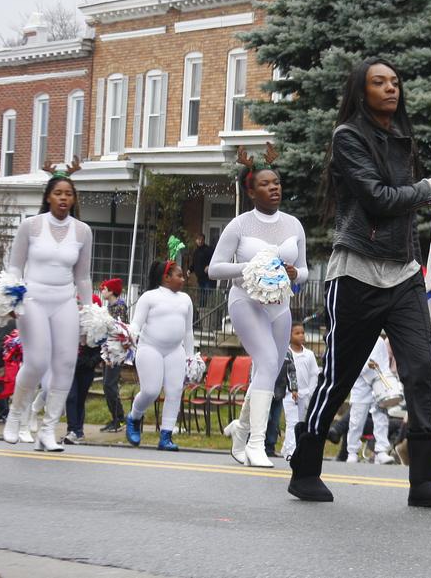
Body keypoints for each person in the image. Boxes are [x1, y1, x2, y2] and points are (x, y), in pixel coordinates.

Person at [288, 58, 431, 507]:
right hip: (357, 271)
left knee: (421, 371)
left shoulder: (403, 140)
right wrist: (427, 190)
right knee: (338, 376)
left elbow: (402, 203)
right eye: (379, 82)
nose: (390, 88)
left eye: (395, 82)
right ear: (361, 93)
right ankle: (305, 470)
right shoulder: (348, 137)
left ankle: (422, 481)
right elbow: (378, 200)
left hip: (403, 273)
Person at [211, 144, 308, 469]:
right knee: (266, 360)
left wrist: (296, 273)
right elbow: (213, 269)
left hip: (280, 305)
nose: (274, 187)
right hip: (246, 302)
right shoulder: (239, 225)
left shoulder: (293, 225)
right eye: (265, 184)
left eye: (276, 182)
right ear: (251, 191)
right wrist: (251, 268)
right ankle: (256, 443)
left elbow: (304, 270)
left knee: (270, 367)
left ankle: (240, 429)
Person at [2, 159, 93, 451]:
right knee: (38, 361)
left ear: (74, 198)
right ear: (48, 196)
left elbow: (83, 277)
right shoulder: (31, 226)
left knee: (66, 363)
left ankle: (48, 429)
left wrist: (90, 312)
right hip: (32, 300)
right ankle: (16, 415)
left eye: (69, 194)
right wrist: (12, 296)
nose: (64, 198)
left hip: (64, 299)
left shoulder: (83, 231)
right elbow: (15, 267)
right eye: (58, 193)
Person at [125, 258, 195, 451]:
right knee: (151, 391)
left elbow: (188, 331)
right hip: (150, 348)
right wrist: (128, 336)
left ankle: (166, 435)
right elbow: (137, 323)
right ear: (166, 278)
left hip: (175, 351)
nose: (183, 279)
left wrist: (191, 357)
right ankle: (134, 417)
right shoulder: (149, 297)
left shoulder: (186, 300)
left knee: (174, 392)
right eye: (179, 275)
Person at [345, 335, 396, 464]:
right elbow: (352, 361)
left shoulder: (379, 341)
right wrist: (367, 366)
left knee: (381, 418)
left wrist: (384, 377)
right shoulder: (355, 338)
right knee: (356, 419)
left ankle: (381, 450)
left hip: (378, 385)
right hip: (360, 385)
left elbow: (384, 363)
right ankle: (352, 451)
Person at [64, 294, 104, 445]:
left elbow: (101, 348)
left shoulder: (96, 326)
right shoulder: (70, 322)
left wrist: (91, 362)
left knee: (80, 398)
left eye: (81, 303)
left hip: (86, 368)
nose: (79, 306)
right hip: (70, 366)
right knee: (71, 397)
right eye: (77, 302)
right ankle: (72, 430)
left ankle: (78, 431)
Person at [281, 322, 319, 461]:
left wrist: (310, 392)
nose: (301, 335)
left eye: (302, 332)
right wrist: (289, 390)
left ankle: (286, 447)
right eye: (297, 333)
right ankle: (292, 451)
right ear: (290, 335)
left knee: (301, 422)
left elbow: (314, 374)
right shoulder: (286, 354)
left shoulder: (309, 354)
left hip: (305, 394)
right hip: (289, 394)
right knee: (292, 422)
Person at [99, 278, 128, 432]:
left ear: (111, 291)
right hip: (107, 350)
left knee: (109, 385)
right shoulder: (109, 306)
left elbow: (119, 330)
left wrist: (113, 353)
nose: (102, 291)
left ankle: (120, 418)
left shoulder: (119, 307)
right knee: (106, 385)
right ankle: (115, 418)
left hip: (116, 351)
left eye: (104, 289)